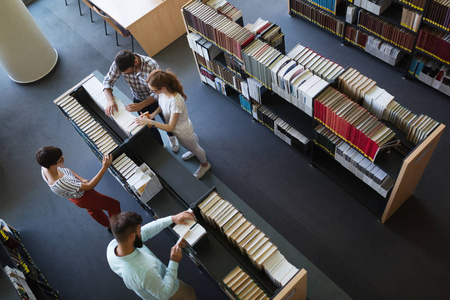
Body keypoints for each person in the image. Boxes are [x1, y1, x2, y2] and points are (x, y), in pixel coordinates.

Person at [134, 70, 211, 179]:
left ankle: (205, 164)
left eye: (153, 90)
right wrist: (152, 115)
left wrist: (150, 122)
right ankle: (193, 147)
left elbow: (170, 127)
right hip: (184, 127)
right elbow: (162, 106)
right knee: (192, 143)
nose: (152, 92)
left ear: (162, 88)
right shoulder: (163, 94)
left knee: (195, 148)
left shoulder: (176, 102)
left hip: (182, 131)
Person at [107, 211, 197, 300]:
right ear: (132, 236)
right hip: (170, 293)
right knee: (190, 294)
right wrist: (174, 261)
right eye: (139, 229)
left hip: (153, 285)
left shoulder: (113, 246)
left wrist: (172, 218)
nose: (141, 231)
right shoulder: (145, 272)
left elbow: (146, 231)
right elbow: (164, 294)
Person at [103, 50, 180, 152]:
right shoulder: (119, 64)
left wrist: (141, 105)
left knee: (167, 118)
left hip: (158, 98)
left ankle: (172, 136)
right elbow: (107, 81)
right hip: (138, 98)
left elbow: (159, 92)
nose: (129, 74)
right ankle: (160, 145)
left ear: (135, 62)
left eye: (129, 72)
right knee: (148, 125)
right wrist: (110, 100)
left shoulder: (151, 66)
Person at [36, 146, 121, 231]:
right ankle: (119, 228)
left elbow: (65, 169)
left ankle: (108, 225)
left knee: (94, 210)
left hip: (75, 192)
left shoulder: (45, 167)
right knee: (113, 205)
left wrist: (82, 179)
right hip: (83, 196)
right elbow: (90, 186)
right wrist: (105, 167)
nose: (64, 158)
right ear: (52, 166)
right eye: (60, 159)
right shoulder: (61, 183)